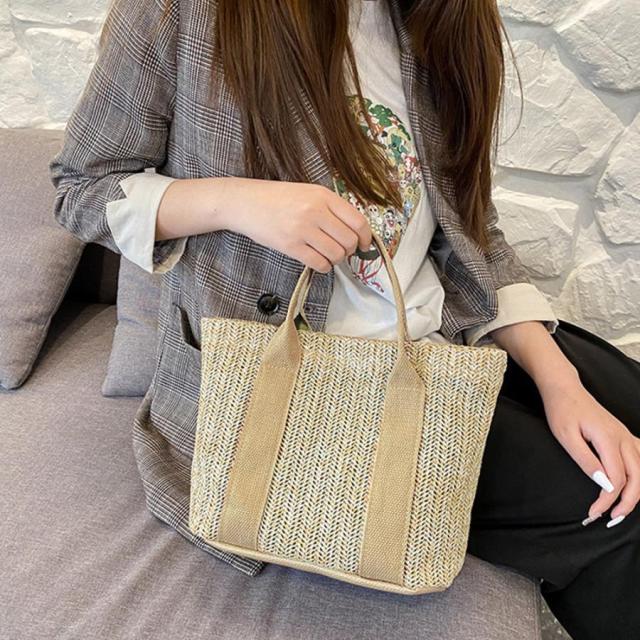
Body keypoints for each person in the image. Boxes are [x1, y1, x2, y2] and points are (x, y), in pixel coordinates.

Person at [49, 0, 640, 638]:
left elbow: (469, 228)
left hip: (435, 345)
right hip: (301, 399)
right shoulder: (187, 12)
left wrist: (560, 381)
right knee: (618, 518)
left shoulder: (435, 20)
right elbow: (82, 189)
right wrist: (239, 203)